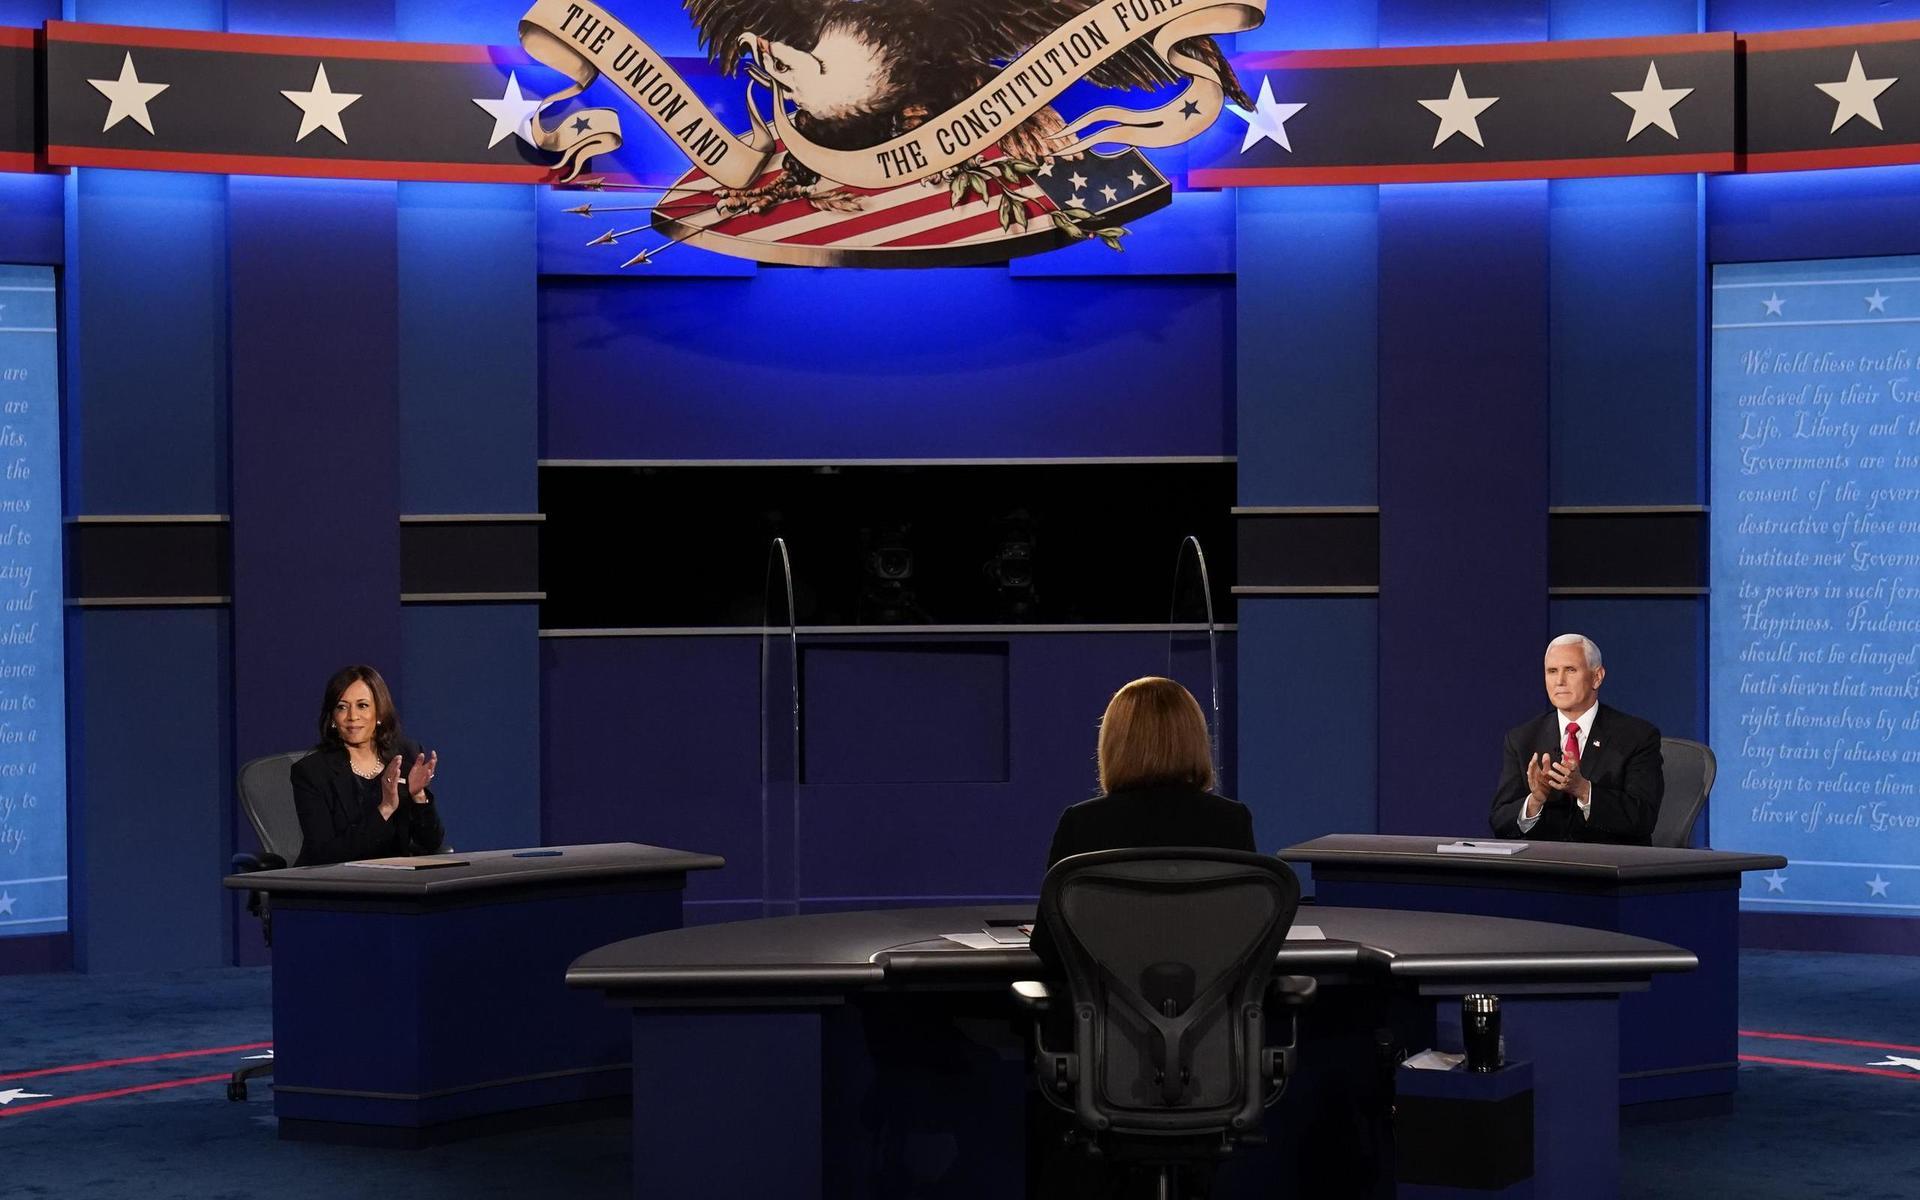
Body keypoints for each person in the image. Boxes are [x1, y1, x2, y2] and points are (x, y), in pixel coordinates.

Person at [1489, 634, 1663, 845]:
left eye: (1570, 670)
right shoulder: (1522, 739)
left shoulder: (1637, 736)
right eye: (1552, 671)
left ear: (1597, 677)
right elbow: (1499, 821)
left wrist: (1583, 790)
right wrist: (1536, 800)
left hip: (1609, 866)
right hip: (1546, 868)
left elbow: (1643, 817)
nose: (1559, 681)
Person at [291, 664, 445, 866]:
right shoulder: (312, 772)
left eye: (362, 705)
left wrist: (419, 796)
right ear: (333, 720)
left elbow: (431, 844)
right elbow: (324, 855)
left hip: (395, 883)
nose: (352, 716)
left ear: (379, 713)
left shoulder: (405, 756)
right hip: (334, 885)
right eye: (342, 707)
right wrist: (386, 808)